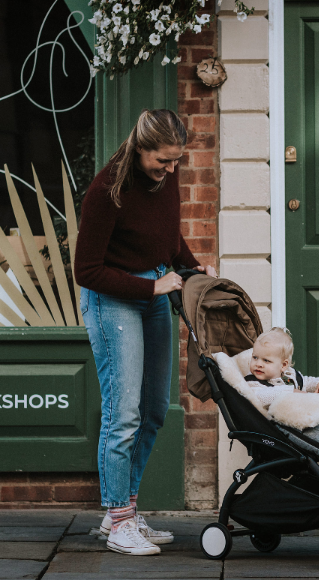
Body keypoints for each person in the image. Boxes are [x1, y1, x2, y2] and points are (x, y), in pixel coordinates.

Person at [74, 109, 216, 556]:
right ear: (141, 149)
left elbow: (167, 237)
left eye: (177, 161)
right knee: (124, 413)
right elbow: (87, 270)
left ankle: (126, 512)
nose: (171, 170)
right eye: (163, 161)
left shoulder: (164, 177)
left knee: (155, 409)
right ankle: (118, 521)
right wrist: (151, 285)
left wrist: (192, 269)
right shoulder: (106, 190)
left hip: (154, 293)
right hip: (113, 300)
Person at [244, 327, 319, 410]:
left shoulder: (290, 375)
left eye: (266, 360)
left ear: (283, 365)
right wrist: (292, 392)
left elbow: (307, 382)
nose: (258, 364)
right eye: (255, 357)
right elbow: (261, 397)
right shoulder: (252, 383)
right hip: (278, 425)